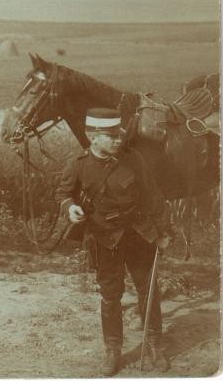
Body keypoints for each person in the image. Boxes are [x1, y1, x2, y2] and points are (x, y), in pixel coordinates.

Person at [55, 108, 171, 376]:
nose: (118, 140)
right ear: (92, 137)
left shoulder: (134, 159)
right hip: (105, 238)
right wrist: (69, 207)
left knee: (149, 290)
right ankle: (113, 350)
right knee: (110, 296)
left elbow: (153, 195)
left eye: (118, 135)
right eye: (110, 136)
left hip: (139, 234)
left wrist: (164, 232)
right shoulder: (78, 164)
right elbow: (63, 192)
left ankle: (154, 345)